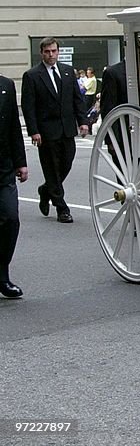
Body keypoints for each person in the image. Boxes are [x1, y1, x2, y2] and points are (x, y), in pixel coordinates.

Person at [21, 38, 89, 224]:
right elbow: (29, 106)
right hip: (46, 131)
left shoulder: (68, 72)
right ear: (41, 53)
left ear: (58, 52)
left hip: (67, 129)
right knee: (51, 169)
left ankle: (46, 190)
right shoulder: (33, 75)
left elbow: (77, 99)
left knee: (66, 162)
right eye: (47, 52)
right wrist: (34, 130)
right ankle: (62, 208)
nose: (51, 55)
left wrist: (83, 121)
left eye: (54, 51)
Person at [1, 72, 28, 298]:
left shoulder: (6, 85)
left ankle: (2, 274)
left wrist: (21, 163)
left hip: (3, 167)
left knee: (11, 219)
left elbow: (13, 126)